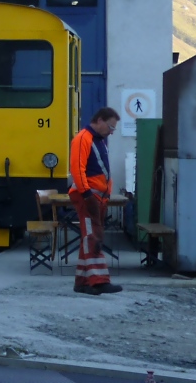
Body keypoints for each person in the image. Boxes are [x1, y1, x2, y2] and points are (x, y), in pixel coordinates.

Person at [69, 106, 123, 295]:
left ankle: (83, 282)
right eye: (111, 127)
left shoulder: (96, 140)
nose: (112, 132)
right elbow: (77, 169)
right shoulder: (83, 139)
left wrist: (101, 196)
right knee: (93, 237)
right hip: (88, 197)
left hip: (95, 198)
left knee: (90, 236)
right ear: (100, 120)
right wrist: (87, 196)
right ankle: (99, 281)